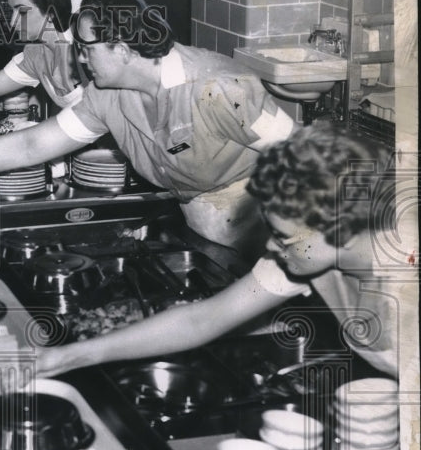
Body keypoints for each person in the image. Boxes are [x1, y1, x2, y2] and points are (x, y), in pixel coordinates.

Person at [0, 0, 298, 258]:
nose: (79, 59)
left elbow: (304, 157)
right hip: (202, 225)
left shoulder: (217, 87)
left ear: (121, 49)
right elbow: (32, 145)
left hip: (268, 228)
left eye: (86, 49)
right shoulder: (107, 95)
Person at [26, 122, 405, 382]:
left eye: (284, 238)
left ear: (342, 229)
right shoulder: (311, 254)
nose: (272, 247)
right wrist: (66, 357)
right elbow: (203, 320)